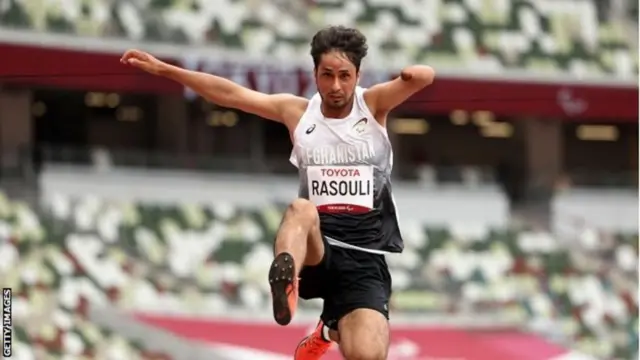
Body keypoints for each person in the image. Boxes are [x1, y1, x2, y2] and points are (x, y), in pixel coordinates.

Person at [121, 25, 435, 360]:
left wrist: (411, 75)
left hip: (365, 259)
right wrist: (167, 70)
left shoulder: (372, 106)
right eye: (327, 75)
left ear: (358, 75)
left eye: (345, 75)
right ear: (315, 73)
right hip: (317, 247)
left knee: (367, 356)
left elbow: (425, 77)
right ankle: (284, 277)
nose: (336, 86)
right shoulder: (297, 112)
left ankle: (328, 330)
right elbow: (230, 94)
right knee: (301, 210)